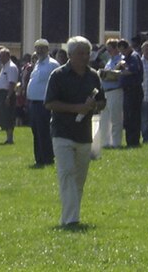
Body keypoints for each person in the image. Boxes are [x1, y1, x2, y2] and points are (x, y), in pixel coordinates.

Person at [44, 37, 105, 228]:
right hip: (62, 132)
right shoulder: (58, 75)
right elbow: (50, 103)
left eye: (87, 53)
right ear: (70, 55)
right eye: (81, 53)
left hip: (84, 134)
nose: (85, 57)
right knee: (67, 173)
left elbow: (102, 101)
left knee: (79, 177)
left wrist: (94, 105)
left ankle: (70, 215)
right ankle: (71, 220)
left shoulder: (93, 76)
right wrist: (76, 108)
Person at [25, 39, 59, 167]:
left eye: (42, 48)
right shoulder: (37, 64)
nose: (39, 51)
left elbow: (56, 83)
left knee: (44, 131)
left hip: (44, 103)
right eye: (37, 48)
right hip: (33, 102)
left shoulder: (52, 64)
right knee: (36, 131)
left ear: (47, 49)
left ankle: (48, 157)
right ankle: (39, 157)